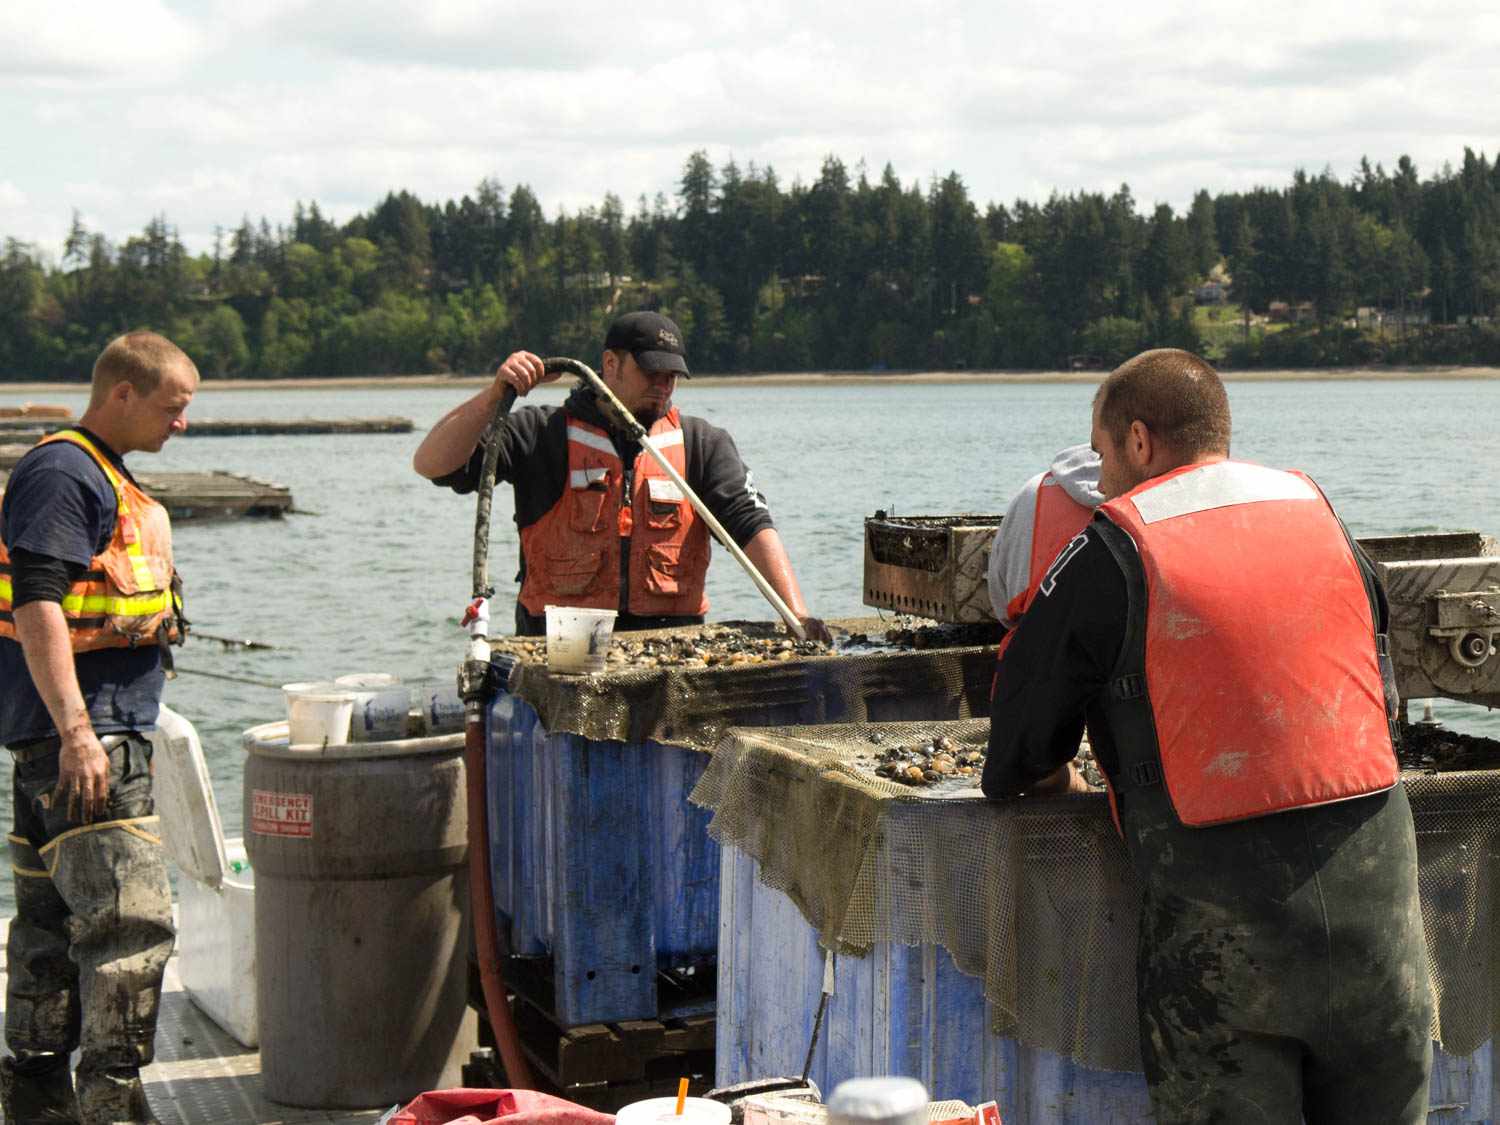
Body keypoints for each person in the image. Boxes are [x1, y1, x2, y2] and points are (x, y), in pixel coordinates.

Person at [983, 348, 1432, 1122]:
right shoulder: (1317, 510)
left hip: (1228, 948)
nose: (1103, 477)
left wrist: (1054, 777)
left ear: (1139, 441)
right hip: (1382, 925)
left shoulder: (1114, 543)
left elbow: (1016, 746)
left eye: (1102, 454)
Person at [0, 331, 195, 1124]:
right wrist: (80, 734)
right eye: (173, 406)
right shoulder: (65, 472)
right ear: (122, 392)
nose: (182, 422)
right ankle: (111, 1107)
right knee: (128, 929)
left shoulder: (96, 470)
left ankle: (37, 1100)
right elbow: (36, 602)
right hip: (88, 745)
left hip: (57, 746)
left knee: (50, 931)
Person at [413, 311, 827, 640]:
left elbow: (752, 525)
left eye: (672, 376)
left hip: (670, 651)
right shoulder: (539, 433)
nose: (663, 385)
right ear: (610, 364)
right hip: (559, 651)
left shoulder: (703, 444)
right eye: (652, 372)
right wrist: (495, 396)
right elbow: (432, 464)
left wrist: (797, 614)